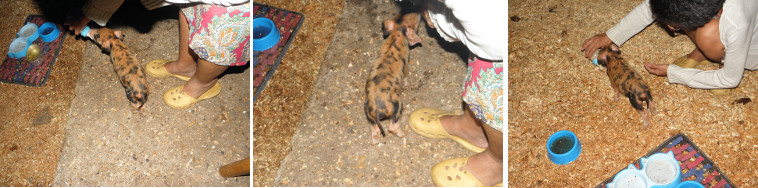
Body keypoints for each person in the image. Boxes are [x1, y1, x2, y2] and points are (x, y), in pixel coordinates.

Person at [64, 0, 249, 109]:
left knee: (217, 43)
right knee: (190, 12)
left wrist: (90, 13)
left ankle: (203, 83)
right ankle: (186, 65)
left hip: (231, 6)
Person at [404, 0, 504, 186]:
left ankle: (500, 161)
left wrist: (439, 18)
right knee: (480, 75)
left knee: (496, 99)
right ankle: (475, 127)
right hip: (484, 36)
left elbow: (492, 36)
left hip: (496, 42)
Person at [582, 0, 758, 95]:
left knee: (709, 37)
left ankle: (714, 53)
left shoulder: (736, 22)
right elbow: (654, 6)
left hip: (750, 48)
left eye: (673, 27)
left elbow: (730, 79)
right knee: (670, 10)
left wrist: (675, 73)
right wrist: (611, 35)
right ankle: (703, 50)